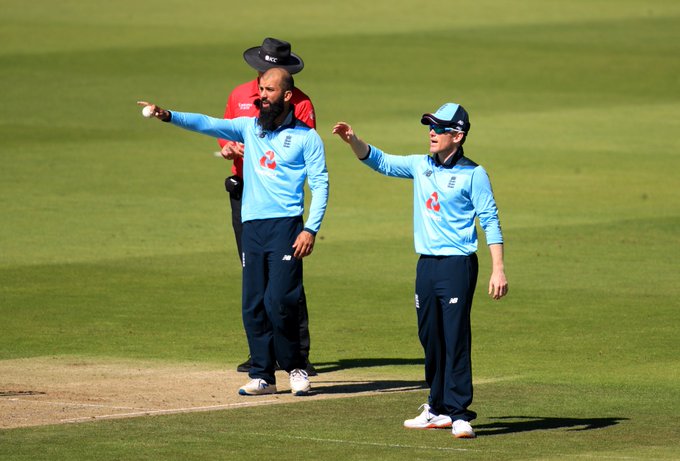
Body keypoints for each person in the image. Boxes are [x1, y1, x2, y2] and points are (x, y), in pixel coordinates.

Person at [138, 67, 329, 396]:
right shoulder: (250, 128)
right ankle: (262, 375)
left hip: (286, 226)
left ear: (287, 96)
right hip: (252, 225)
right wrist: (167, 115)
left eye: (269, 90)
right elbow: (208, 123)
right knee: (253, 302)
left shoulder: (307, 138)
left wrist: (311, 228)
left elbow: (321, 184)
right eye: (260, 90)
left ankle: (296, 367)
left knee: (280, 300)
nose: (262, 96)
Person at [332, 102, 508, 438]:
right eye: (430, 126)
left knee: (455, 337)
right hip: (426, 265)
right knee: (430, 337)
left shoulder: (474, 173)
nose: (432, 132)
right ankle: (436, 407)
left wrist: (497, 269)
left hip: (457, 265)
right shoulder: (419, 165)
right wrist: (353, 139)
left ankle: (459, 413)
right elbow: (380, 161)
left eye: (439, 128)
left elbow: (490, 221)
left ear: (457, 135)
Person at [218, 38, 317, 376]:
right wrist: (229, 148)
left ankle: (297, 357)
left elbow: (301, 147)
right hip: (246, 197)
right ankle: (260, 355)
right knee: (254, 280)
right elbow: (224, 132)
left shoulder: (299, 102)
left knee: (286, 284)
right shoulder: (238, 95)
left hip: (280, 204)